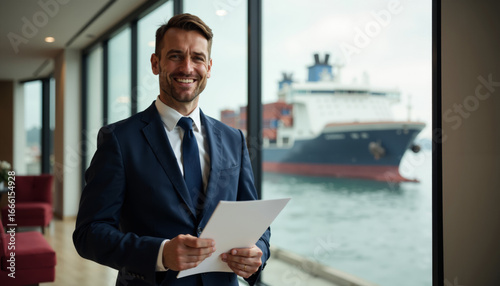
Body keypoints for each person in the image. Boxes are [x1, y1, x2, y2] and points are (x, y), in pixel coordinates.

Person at [73, 13, 270, 286]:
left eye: (198, 58)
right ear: (156, 63)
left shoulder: (233, 139)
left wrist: (258, 252)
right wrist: (161, 253)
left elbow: (254, 221)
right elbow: (89, 233)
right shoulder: (119, 139)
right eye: (176, 56)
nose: (187, 67)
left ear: (209, 67)